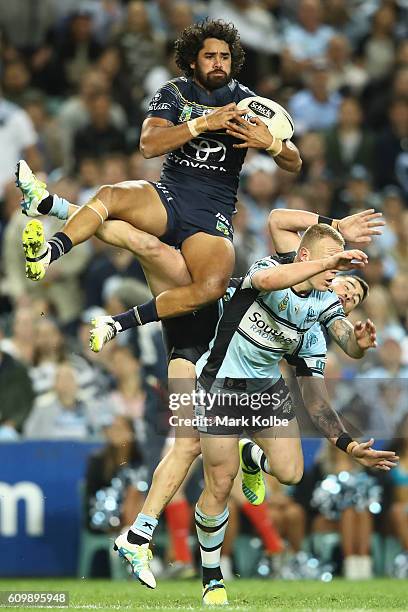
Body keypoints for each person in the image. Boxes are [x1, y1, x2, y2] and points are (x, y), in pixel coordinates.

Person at [16, 19, 301, 327]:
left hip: (212, 213)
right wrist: (202, 124)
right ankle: (46, 254)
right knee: (109, 196)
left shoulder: (247, 102)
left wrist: (270, 143)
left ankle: (119, 318)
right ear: (193, 60)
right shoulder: (174, 92)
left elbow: (294, 161)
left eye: (225, 56)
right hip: (169, 197)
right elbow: (148, 145)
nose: (219, 63)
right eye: (210, 56)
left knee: (213, 287)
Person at [191, 224, 397, 604]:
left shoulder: (317, 320)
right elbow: (270, 266)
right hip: (220, 384)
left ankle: (251, 453)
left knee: (291, 473)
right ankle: (212, 577)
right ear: (305, 258)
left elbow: (319, 395)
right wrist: (334, 239)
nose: (338, 278)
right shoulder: (272, 269)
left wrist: (349, 445)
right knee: (219, 485)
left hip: (266, 393)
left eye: (341, 274)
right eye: (333, 268)